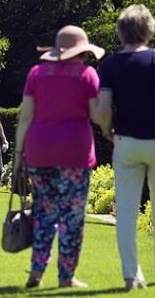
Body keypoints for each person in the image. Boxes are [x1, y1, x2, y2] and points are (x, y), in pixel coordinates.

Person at [98, 4, 155, 291]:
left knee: (125, 211)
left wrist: (106, 129)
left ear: (121, 31)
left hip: (126, 141)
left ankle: (131, 276)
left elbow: (101, 109)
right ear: (149, 30)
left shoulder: (109, 65)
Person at [14, 25, 103, 288]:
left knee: (43, 214)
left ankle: (36, 271)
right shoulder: (87, 75)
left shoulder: (36, 73)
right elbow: (97, 116)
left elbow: (26, 117)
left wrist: (19, 154)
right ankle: (66, 277)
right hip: (74, 153)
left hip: (39, 152)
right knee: (72, 218)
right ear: (80, 53)